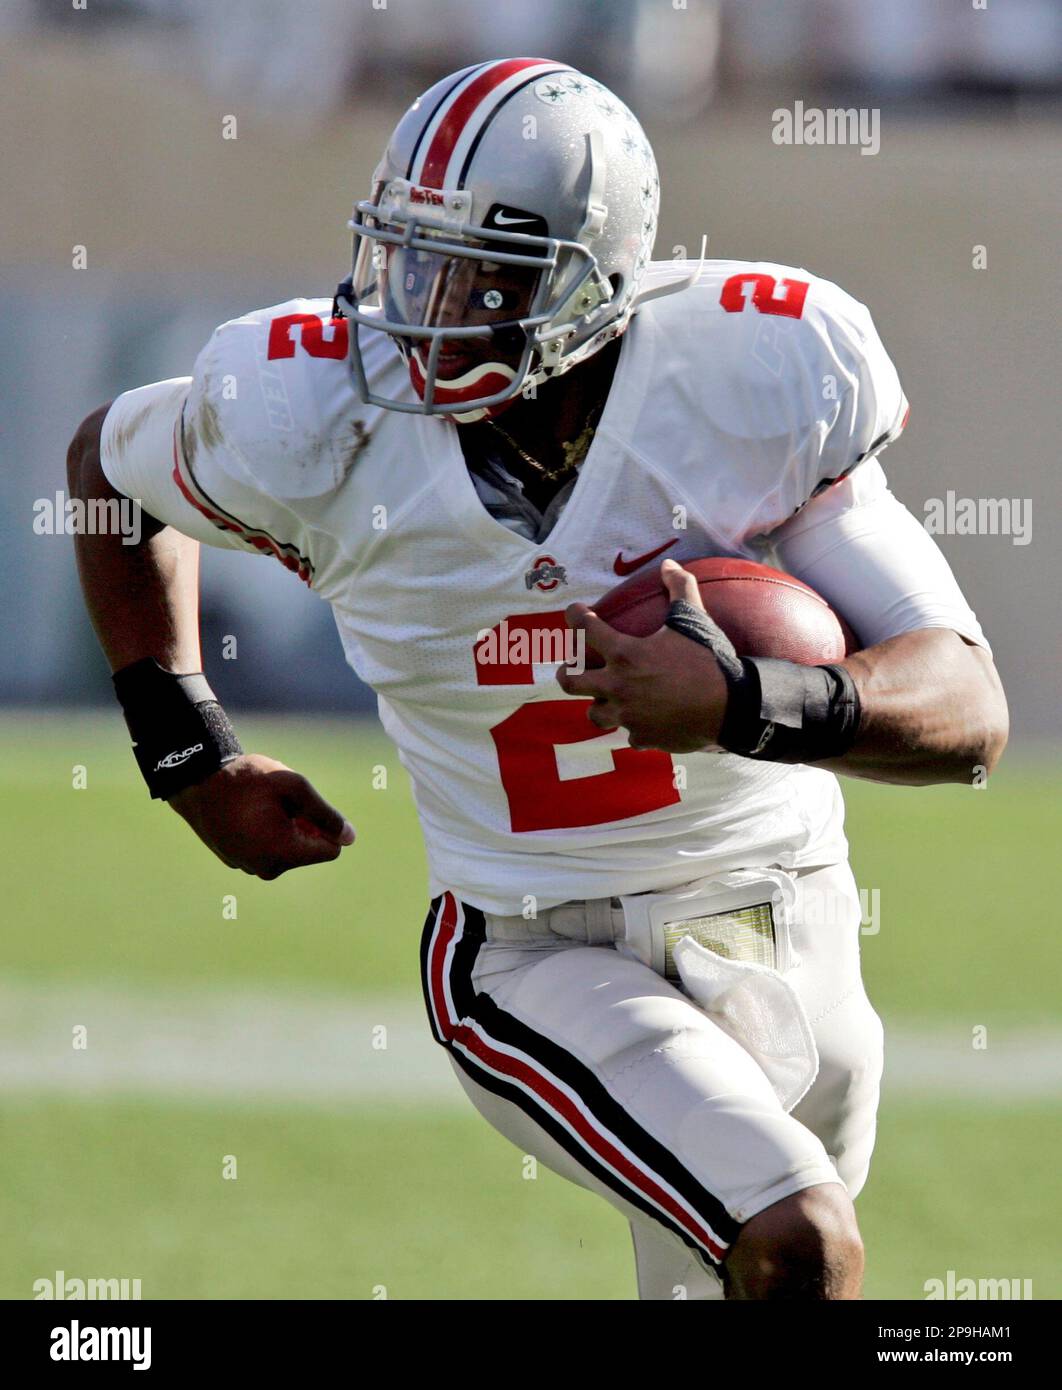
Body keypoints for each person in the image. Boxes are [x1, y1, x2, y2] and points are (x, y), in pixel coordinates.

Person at [68, 58, 1008, 1299]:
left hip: (790, 913)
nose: (424, 307)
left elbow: (968, 708)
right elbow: (106, 471)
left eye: (480, 276)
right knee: (799, 1241)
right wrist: (190, 753)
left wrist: (743, 705)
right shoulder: (307, 407)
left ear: (594, 283)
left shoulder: (751, 375)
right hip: (533, 947)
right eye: (411, 256)